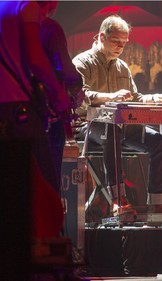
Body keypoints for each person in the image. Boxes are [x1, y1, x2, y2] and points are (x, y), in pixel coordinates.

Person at [73, 15, 162, 214]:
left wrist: (154, 98)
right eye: (116, 42)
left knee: (160, 142)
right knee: (111, 131)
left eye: (124, 43)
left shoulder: (122, 67)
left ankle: (158, 203)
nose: (120, 47)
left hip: (119, 127)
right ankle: (118, 199)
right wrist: (111, 96)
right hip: (88, 126)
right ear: (101, 37)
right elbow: (80, 96)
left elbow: (135, 97)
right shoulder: (82, 62)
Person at [0, 1, 70, 240]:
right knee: (44, 189)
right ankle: (48, 261)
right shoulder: (25, 6)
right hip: (16, 109)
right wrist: (59, 94)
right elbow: (36, 59)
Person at [38, 0, 83, 193]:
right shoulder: (49, 28)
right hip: (48, 111)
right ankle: (49, 221)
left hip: (15, 110)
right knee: (50, 173)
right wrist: (76, 87)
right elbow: (64, 68)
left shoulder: (9, 25)